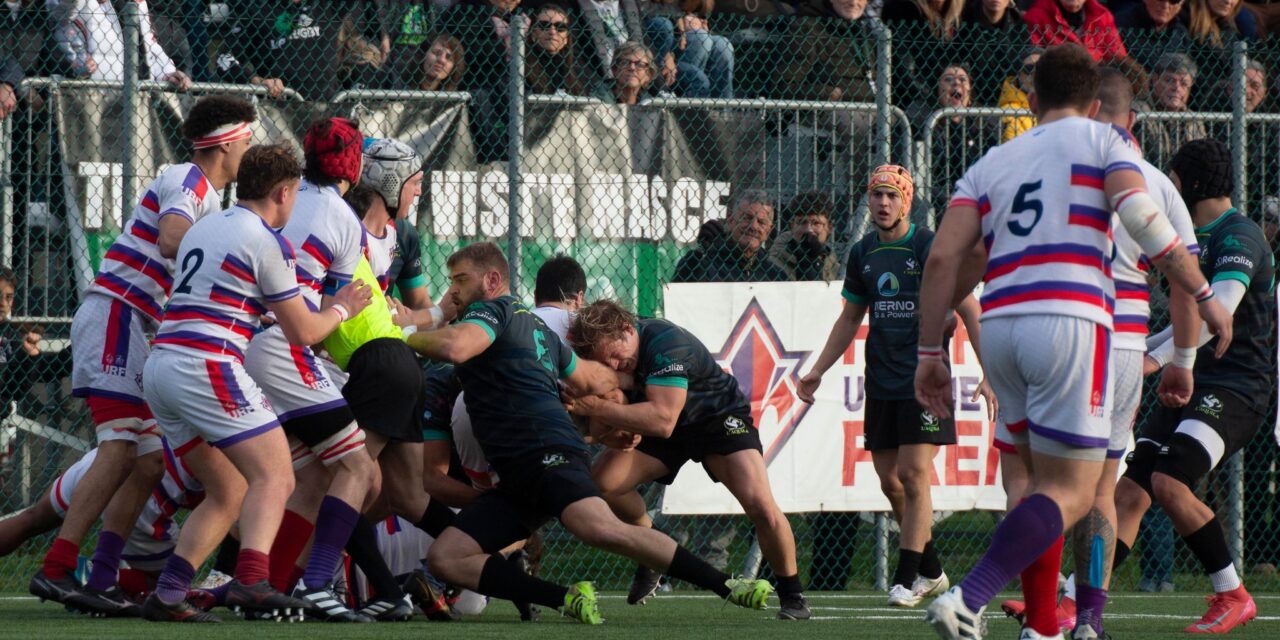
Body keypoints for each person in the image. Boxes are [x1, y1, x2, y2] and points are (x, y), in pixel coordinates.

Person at [912, 43, 1230, 640]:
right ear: (1093, 105)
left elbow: (945, 261)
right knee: (1081, 490)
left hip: (1002, 323)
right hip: (1085, 327)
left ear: (1029, 100)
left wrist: (931, 351)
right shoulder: (1108, 145)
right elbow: (1141, 218)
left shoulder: (996, 160)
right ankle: (980, 598)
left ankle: (1043, 626)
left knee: (1030, 486)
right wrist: (1204, 295)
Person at [406, 242, 774, 624]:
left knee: (600, 528)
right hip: (519, 474)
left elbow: (457, 346)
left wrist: (398, 331)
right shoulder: (535, 327)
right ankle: (566, 598)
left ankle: (727, 585)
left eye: (461, 281)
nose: (453, 292)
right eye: (451, 283)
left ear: (492, 280)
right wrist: (616, 402)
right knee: (446, 557)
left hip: (545, 454)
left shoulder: (492, 308)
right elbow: (592, 377)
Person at [999, 67, 1204, 638]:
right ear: (1132, 118)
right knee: (1100, 488)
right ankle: (1088, 621)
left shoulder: (1039, 166)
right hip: (1124, 350)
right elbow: (1183, 279)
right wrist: (1182, 362)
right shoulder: (1156, 183)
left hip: (1055, 334)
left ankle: (1039, 619)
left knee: (1035, 480)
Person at [30, 96, 255, 616]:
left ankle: (101, 577)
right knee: (120, 449)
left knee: (150, 461)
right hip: (119, 313)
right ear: (225, 142)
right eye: (247, 138)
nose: (250, 147)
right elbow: (174, 237)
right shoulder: (188, 180)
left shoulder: (210, 199)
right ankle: (58, 568)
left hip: (135, 322)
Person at [141, 142, 374, 622]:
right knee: (277, 475)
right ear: (284, 192)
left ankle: (168, 593)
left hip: (162, 364)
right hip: (206, 362)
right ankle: (251, 580)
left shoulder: (208, 223)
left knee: (230, 491)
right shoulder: (267, 240)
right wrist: (344, 307)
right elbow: (303, 332)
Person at [797, 165, 993, 610]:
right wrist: (818, 370)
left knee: (913, 474)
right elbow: (850, 318)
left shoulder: (927, 246)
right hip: (881, 380)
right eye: (876, 195)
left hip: (926, 381)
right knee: (891, 482)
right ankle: (933, 571)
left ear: (906, 201)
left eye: (891, 195)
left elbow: (970, 309)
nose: (883, 203)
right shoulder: (863, 252)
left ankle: (904, 580)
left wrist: (990, 371)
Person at [1111, 138, 1275, 634]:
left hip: (1237, 387)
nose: (1167, 189)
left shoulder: (1238, 235)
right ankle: (1074, 600)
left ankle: (1233, 594)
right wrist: (1153, 354)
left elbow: (1215, 312)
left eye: (1174, 181)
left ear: (1193, 185)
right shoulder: (1189, 234)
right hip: (1193, 380)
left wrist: (1155, 360)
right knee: (1128, 494)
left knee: (1169, 480)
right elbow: (1188, 322)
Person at [568, 298, 809, 619]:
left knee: (761, 507)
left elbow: (662, 420)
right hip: (664, 422)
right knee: (604, 484)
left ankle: (793, 595)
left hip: (714, 419)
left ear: (628, 330)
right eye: (603, 362)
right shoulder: (619, 347)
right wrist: (606, 425)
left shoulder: (666, 343)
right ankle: (652, 548)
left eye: (614, 356)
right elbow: (609, 425)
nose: (612, 366)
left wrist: (597, 408)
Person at [241, 118, 381, 622]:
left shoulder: (285, 200)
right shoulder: (344, 218)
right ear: (354, 162)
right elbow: (323, 315)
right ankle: (318, 583)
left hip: (243, 340)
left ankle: (265, 587)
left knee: (312, 473)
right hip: (283, 346)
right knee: (359, 467)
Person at [1, 440, 204, 607]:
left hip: (106, 459)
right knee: (170, 583)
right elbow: (223, 508)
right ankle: (88, 576)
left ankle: (85, 572)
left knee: (33, 517)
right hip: (143, 484)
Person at [48, 0, 192, 89]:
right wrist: (79, 65)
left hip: (137, 100)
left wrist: (166, 72)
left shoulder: (136, 2)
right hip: (91, 100)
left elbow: (149, 44)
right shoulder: (77, 6)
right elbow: (61, 18)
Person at [671, 191, 788, 282]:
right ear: (731, 220)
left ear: (768, 231)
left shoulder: (775, 276)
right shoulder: (699, 262)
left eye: (761, 222)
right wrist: (701, 255)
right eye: (746, 218)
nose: (753, 226)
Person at [767, 191, 841, 281]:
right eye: (802, 222)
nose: (808, 229)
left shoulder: (837, 270)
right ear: (792, 226)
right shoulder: (774, 265)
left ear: (829, 227)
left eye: (816, 223)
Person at [1023, 0, 1127, 64]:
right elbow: (1034, 57)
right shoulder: (1036, 17)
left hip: (1099, 83)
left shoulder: (1103, 15)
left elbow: (1118, 56)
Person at [526, 4, 589, 96]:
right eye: (544, 25)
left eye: (560, 27)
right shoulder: (519, 68)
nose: (552, 32)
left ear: (566, 38)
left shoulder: (580, 71)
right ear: (533, 34)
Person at [593, 41, 658, 105]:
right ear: (614, 69)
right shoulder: (595, 102)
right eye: (625, 62)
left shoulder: (651, 105)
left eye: (640, 65)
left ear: (648, 75)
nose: (632, 68)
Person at [997, 47, 1041, 143]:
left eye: (1041, 67)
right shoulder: (1011, 111)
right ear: (1018, 75)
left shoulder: (1057, 106)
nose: (1035, 73)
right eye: (1029, 68)